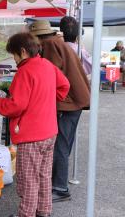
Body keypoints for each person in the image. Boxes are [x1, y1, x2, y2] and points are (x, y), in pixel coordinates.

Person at [0, 33, 70, 217]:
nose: (14, 60)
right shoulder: (48, 65)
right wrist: (45, 100)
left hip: (31, 136)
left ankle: (27, 214)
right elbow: (65, 86)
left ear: (22, 51)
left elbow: (16, 105)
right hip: (49, 132)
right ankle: (43, 212)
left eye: (14, 55)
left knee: (28, 179)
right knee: (44, 176)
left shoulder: (25, 71)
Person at [29, 20, 90, 203]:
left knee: (60, 146)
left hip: (69, 103)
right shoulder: (57, 42)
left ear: (38, 37)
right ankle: (57, 183)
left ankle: (60, 188)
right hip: (75, 100)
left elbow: (50, 74)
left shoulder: (50, 45)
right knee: (63, 145)